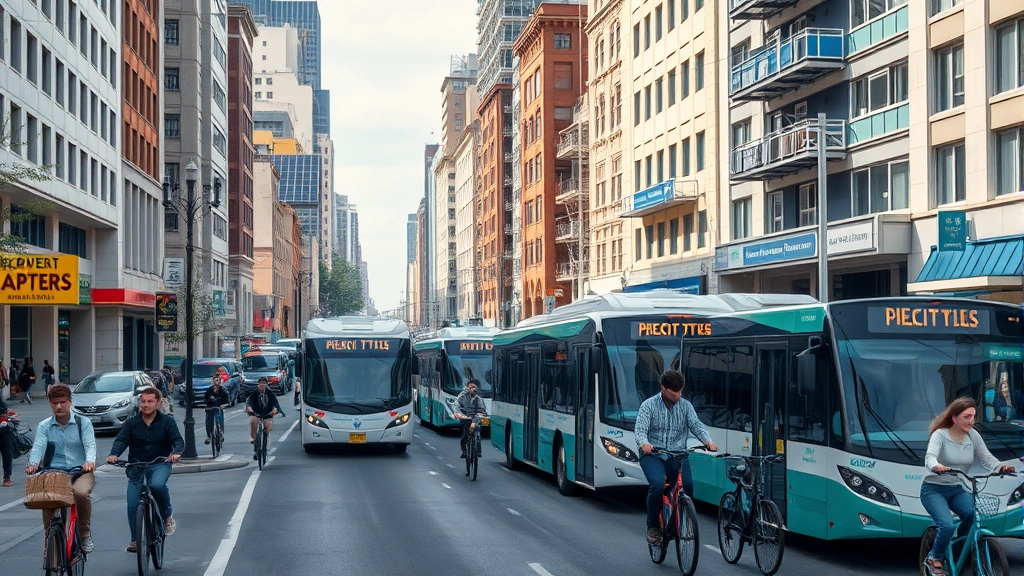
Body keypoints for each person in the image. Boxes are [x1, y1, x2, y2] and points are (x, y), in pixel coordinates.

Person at [921, 397, 1017, 576]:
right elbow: (930, 456)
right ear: (954, 417)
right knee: (947, 526)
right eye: (967, 417)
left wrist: (1001, 467)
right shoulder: (940, 435)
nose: (971, 421)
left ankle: (958, 552)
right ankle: (935, 557)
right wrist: (936, 466)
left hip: (958, 488)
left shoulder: (973, 435)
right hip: (934, 489)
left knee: (973, 516)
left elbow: (986, 457)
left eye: (973, 416)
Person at [634, 370, 718, 545]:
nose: (678, 396)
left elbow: (695, 424)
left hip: (678, 455)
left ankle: (683, 520)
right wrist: (644, 444)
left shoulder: (686, 406)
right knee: (657, 484)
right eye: (674, 393)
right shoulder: (648, 406)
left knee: (687, 485)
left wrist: (707, 441)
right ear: (663, 388)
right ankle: (653, 527)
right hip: (654, 455)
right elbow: (640, 430)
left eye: (680, 392)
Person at [106, 387, 183, 554]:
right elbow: (121, 440)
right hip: (136, 466)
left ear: (157, 403)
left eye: (150, 401)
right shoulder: (132, 423)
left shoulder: (167, 422)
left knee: (157, 485)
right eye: (143, 401)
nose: (146, 405)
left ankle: (167, 514)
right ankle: (135, 540)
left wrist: (176, 452)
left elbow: (177, 439)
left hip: (159, 463)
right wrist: (114, 454)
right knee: (132, 503)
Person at [25, 385, 97, 553]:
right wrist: (33, 464)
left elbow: (90, 445)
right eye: (55, 402)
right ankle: (50, 539)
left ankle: (84, 533)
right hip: (54, 472)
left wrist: (89, 461)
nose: (59, 406)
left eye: (63, 402)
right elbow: (38, 447)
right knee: (47, 500)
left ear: (70, 402)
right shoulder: (45, 426)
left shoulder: (83, 423)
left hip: (80, 471)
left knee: (79, 493)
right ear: (50, 403)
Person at [453, 379, 487, 460]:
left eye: (474, 387)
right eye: (471, 387)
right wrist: (458, 414)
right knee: (465, 434)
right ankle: (464, 451)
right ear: (468, 388)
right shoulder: (462, 396)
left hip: (475, 418)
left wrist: (478, 418)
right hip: (465, 417)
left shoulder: (478, 398)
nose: (473, 389)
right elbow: (456, 406)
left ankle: (478, 451)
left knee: (477, 432)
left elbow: (482, 411)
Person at [246, 377, 282, 453]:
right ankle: (254, 438)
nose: (262, 387)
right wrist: (249, 408)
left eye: (264, 385)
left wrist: (275, 409)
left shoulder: (270, 394)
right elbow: (249, 402)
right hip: (256, 413)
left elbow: (275, 403)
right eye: (261, 385)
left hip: (267, 414)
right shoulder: (254, 394)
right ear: (258, 385)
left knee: (269, 425)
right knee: (253, 421)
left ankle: (265, 440)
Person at [204, 377, 230, 445]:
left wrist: (223, 406)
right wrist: (206, 406)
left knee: (220, 417)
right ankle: (209, 436)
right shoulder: (209, 390)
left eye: (219, 380)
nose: (218, 382)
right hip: (210, 408)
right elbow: (205, 400)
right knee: (208, 419)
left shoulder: (223, 390)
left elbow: (227, 401)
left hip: (218, 407)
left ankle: (221, 433)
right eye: (216, 380)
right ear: (213, 381)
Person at [0, 392, 19, 487]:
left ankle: (7, 477)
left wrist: (8, 413)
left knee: (7, 452)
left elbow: (5, 408)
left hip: (3, 428)